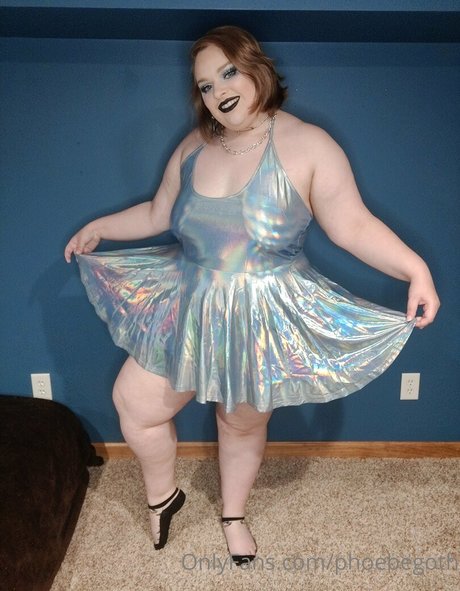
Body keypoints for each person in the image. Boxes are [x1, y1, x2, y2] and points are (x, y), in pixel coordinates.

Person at [64, 26, 440, 565]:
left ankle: (233, 515)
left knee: (239, 421)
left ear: (255, 67)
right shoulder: (193, 146)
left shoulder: (309, 145)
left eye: (228, 73)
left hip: (261, 315)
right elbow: (157, 213)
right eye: (205, 85)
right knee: (135, 403)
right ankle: (163, 497)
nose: (218, 92)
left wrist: (415, 269)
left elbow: (353, 225)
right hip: (189, 303)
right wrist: (99, 228)